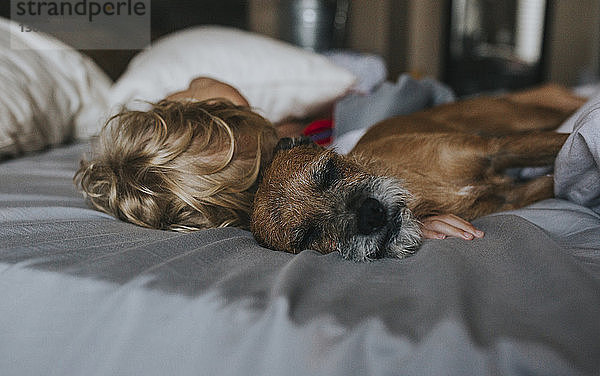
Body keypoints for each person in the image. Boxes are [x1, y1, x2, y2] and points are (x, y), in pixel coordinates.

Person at [75, 77, 483, 240]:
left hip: (329, 124)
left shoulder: (230, 126)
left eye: (274, 146)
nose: (283, 156)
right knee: (394, 114)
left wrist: (181, 115)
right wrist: (411, 219)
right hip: (345, 143)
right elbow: (343, 214)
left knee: (399, 97)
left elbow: (203, 84)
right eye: (269, 161)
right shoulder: (275, 212)